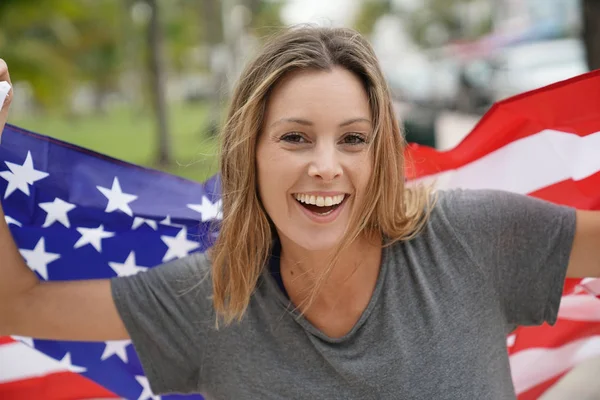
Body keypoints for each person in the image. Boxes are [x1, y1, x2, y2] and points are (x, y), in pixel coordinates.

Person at [0, 25, 599, 400]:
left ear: (381, 155)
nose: (326, 165)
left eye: (353, 139)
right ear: (249, 154)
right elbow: (19, 304)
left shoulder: (470, 236)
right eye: (294, 138)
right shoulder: (207, 298)